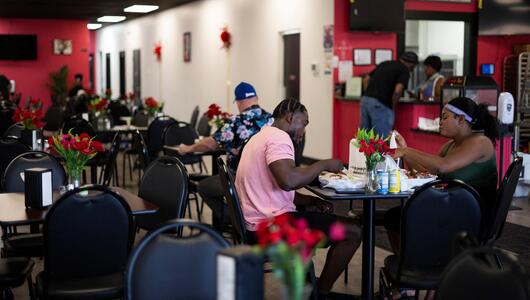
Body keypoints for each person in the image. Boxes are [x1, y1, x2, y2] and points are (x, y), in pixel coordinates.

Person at [235, 98, 362, 295]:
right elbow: (288, 181)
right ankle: (320, 293)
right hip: (271, 228)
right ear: (290, 117)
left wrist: (311, 200)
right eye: (304, 123)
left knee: (320, 217)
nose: (303, 130)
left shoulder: (260, 136)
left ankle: (309, 283)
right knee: (353, 231)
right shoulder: (279, 138)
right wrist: (324, 164)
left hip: (254, 224)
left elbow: (272, 189)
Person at [385, 96, 499, 254]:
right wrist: (406, 152)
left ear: (460, 119)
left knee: (405, 216)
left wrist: (406, 151)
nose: (440, 121)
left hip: (473, 214)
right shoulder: (450, 145)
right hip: (454, 206)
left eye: (444, 117)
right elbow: (425, 176)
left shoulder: (481, 142)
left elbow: (443, 166)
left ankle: (416, 263)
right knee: (394, 217)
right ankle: (407, 263)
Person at [177, 82, 273, 229]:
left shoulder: (236, 121)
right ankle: (240, 216)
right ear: (256, 98)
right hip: (267, 180)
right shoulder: (271, 120)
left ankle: (232, 218)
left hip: (239, 179)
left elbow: (210, 144)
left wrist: (188, 148)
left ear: (239, 102)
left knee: (203, 187)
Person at [361, 51, 418, 137]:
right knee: (383, 140)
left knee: (365, 138)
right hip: (381, 104)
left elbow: (366, 79)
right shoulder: (404, 70)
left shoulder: (385, 63)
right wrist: (392, 107)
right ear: (411, 64)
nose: (412, 70)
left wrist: (368, 94)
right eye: (413, 67)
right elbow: (397, 91)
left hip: (365, 101)